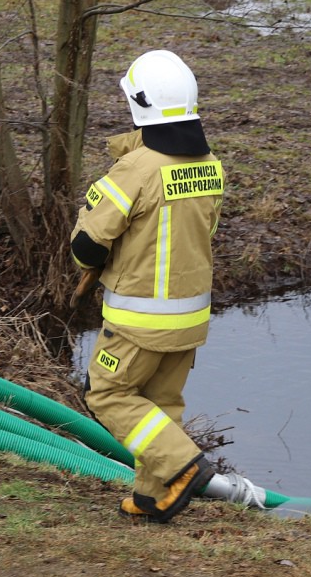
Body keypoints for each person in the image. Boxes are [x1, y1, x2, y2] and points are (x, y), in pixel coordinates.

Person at [70, 49, 225, 524]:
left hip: (138, 321)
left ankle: (183, 466)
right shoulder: (211, 166)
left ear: (140, 104)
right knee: (161, 407)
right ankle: (152, 497)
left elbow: (87, 248)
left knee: (108, 393)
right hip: (191, 319)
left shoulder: (136, 170)